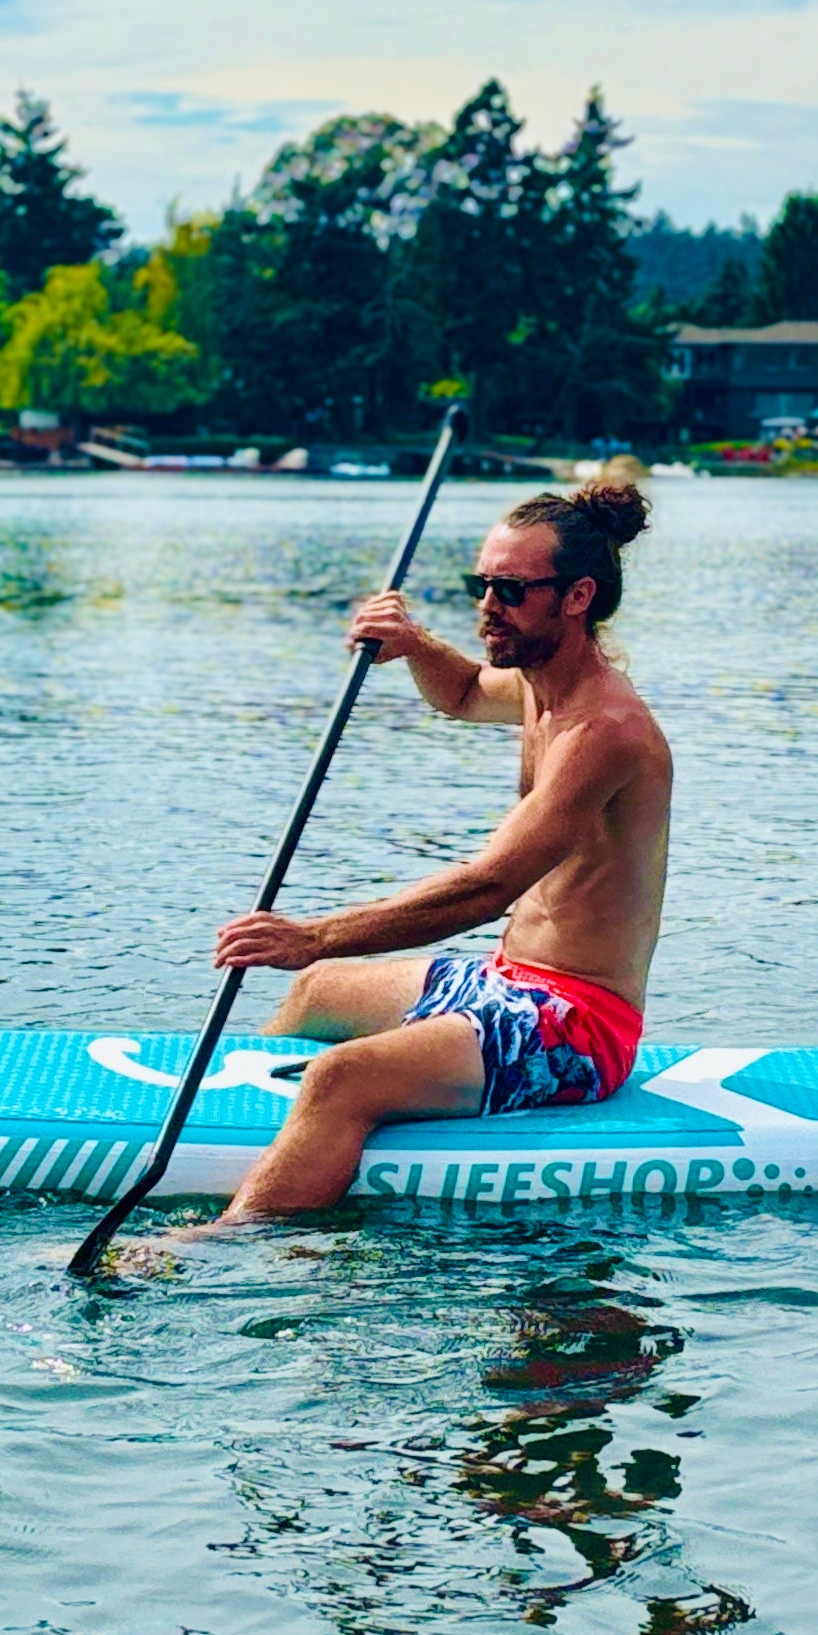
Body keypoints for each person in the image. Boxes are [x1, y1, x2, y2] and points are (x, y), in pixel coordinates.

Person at [210, 481, 673, 1217]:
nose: (488, 605)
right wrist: (411, 643)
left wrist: (314, 933)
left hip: (577, 1027)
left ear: (577, 596)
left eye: (511, 589)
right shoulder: (536, 683)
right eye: (480, 584)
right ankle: (236, 1135)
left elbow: (484, 888)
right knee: (315, 990)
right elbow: (460, 694)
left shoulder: (605, 732)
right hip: (505, 981)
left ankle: (221, 1246)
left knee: (339, 1076)